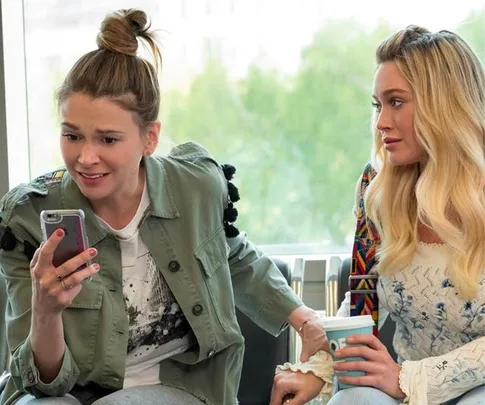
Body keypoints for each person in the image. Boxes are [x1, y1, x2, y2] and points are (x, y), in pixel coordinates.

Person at [0, 9, 327, 405]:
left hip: (178, 385)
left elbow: (231, 255)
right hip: (66, 391)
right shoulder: (28, 220)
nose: (85, 158)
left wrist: (305, 318)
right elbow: (41, 384)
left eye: (107, 140)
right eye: (72, 135)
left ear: (149, 138)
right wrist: (47, 312)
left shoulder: (195, 187)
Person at [270, 25, 485, 405]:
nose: (382, 121)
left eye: (396, 102)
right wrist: (320, 371)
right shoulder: (377, 188)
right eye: (377, 105)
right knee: (350, 401)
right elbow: (362, 300)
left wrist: (408, 378)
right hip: (403, 388)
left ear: (444, 105)